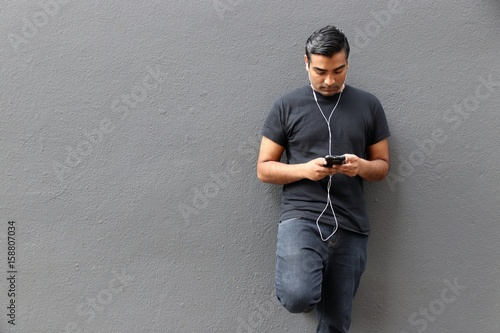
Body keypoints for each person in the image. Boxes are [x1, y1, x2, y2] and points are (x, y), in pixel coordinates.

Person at [256, 25, 390, 333]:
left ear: (347, 64)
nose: (329, 80)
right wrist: (305, 169)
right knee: (298, 295)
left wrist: (360, 167)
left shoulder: (369, 105)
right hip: (301, 218)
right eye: (320, 71)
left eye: (338, 70)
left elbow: (382, 167)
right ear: (306, 63)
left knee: (335, 324)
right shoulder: (285, 106)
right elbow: (264, 169)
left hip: (351, 224)